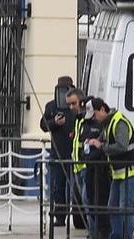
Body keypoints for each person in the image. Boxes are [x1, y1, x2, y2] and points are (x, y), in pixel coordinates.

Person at [85, 98, 134, 239]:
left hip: (131, 170)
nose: (93, 119)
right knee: (112, 205)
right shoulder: (107, 123)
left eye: (94, 116)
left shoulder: (119, 122)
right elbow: (103, 138)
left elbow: (122, 145)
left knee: (125, 206)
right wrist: (94, 141)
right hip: (119, 172)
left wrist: (101, 146)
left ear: (102, 110)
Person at [70, 90, 110, 239]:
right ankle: (92, 237)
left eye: (74, 104)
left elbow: (97, 147)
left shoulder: (97, 124)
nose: (74, 109)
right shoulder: (82, 121)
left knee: (92, 204)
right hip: (79, 167)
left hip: (90, 168)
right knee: (87, 206)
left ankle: (96, 238)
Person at [40, 76, 77, 227]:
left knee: (76, 188)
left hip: (75, 153)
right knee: (58, 187)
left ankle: (79, 218)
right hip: (57, 152)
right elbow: (43, 125)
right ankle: (60, 217)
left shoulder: (76, 106)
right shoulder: (51, 106)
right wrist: (54, 123)